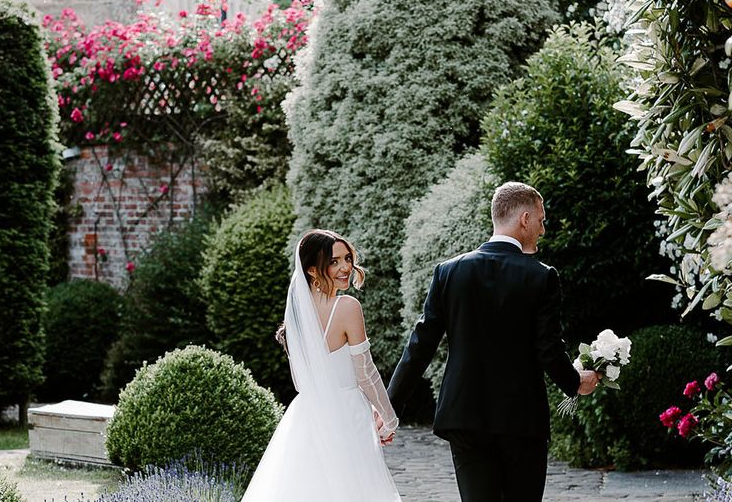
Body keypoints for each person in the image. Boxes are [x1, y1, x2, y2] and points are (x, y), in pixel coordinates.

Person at [387, 182, 600, 502]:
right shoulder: (542, 276)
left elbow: (421, 344)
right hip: (522, 420)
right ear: (524, 219)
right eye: (541, 220)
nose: (543, 229)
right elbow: (548, 348)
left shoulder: (448, 272)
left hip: (464, 416)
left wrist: (391, 406)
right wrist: (575, 382)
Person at [241, 228, 402, 502]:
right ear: (313, 270)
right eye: (334, 262)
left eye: (347, 258)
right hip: (347, 413)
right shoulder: (347, 307)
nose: (345, 268)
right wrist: (389, 418)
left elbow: (300, 381)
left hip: (306, 414)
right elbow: (365, 373)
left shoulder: (296, 315)